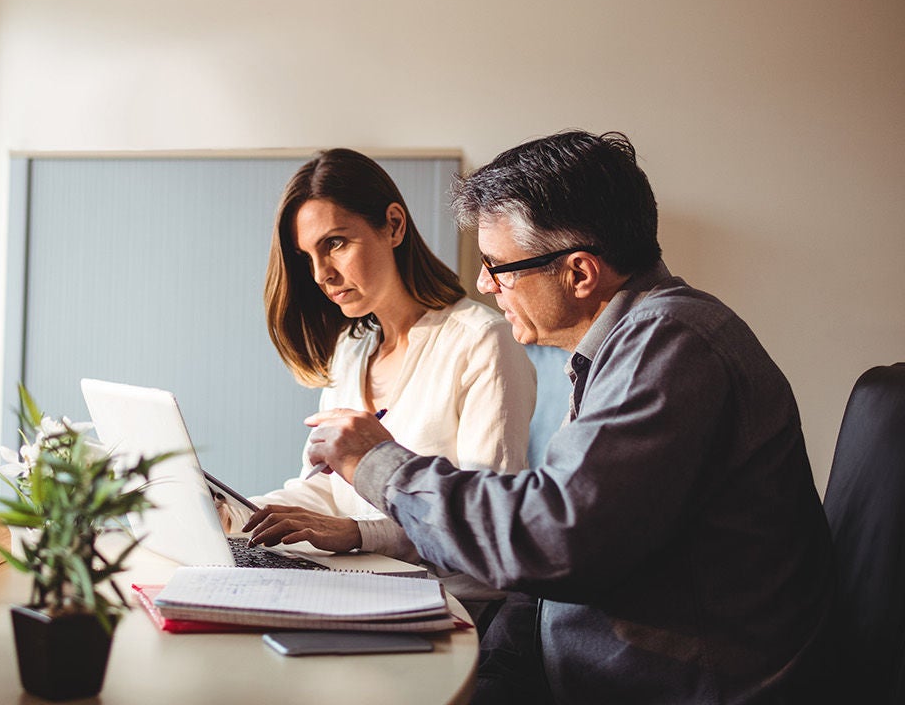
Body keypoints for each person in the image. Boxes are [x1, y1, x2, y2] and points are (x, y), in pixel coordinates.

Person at [301, 131, 834, 703]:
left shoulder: (672, 343)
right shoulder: (623, 349)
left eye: (497, 265)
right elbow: (552, 551)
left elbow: (549, 539)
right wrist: (499, 669)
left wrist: (380, 464)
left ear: (579, 273)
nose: (484, 284)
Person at [220, 148, 536, 615]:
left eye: (335, 243)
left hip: (457, 608)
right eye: (308, 255)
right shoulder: (353, 349)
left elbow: (482, 524)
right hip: (363, 589)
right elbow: (330, 491)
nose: (322, 274)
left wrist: (357, 533)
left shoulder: (482, 342)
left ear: (393, 225)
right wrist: (235, 511)